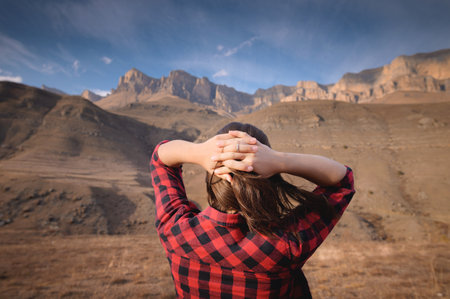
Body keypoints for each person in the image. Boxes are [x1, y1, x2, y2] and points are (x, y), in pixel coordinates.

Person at [150, 122, 355, 298]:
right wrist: (278, 160)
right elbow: (342, 181)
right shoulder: (286, 246)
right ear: (269, 181)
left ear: (211, 176)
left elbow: (160, 160)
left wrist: (200, 152)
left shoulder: (176, 232)